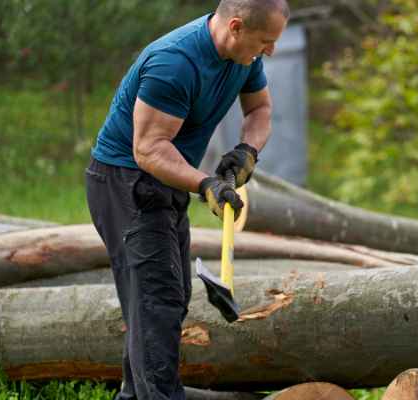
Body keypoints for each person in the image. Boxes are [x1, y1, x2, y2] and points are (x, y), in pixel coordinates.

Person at [84, 1, 289, 398]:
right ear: (235, 26)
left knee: (170, 300)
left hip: (166, 178)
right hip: (126, 181)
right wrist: (206, 184)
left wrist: (247, 151)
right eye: (266, 41)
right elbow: (147, 149)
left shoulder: (244, 56)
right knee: (156, 303)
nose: (271, 50)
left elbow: (260, 109)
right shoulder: (175, 63)